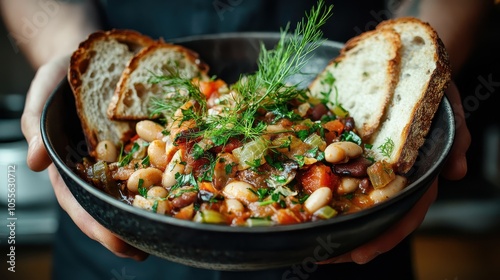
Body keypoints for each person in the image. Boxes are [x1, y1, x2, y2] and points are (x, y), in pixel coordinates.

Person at [2, 0, 491, 279]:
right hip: (117, 251)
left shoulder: (344, 161)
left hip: (343, 252)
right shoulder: (150, 155)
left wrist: (424, 72)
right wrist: (66, 54)